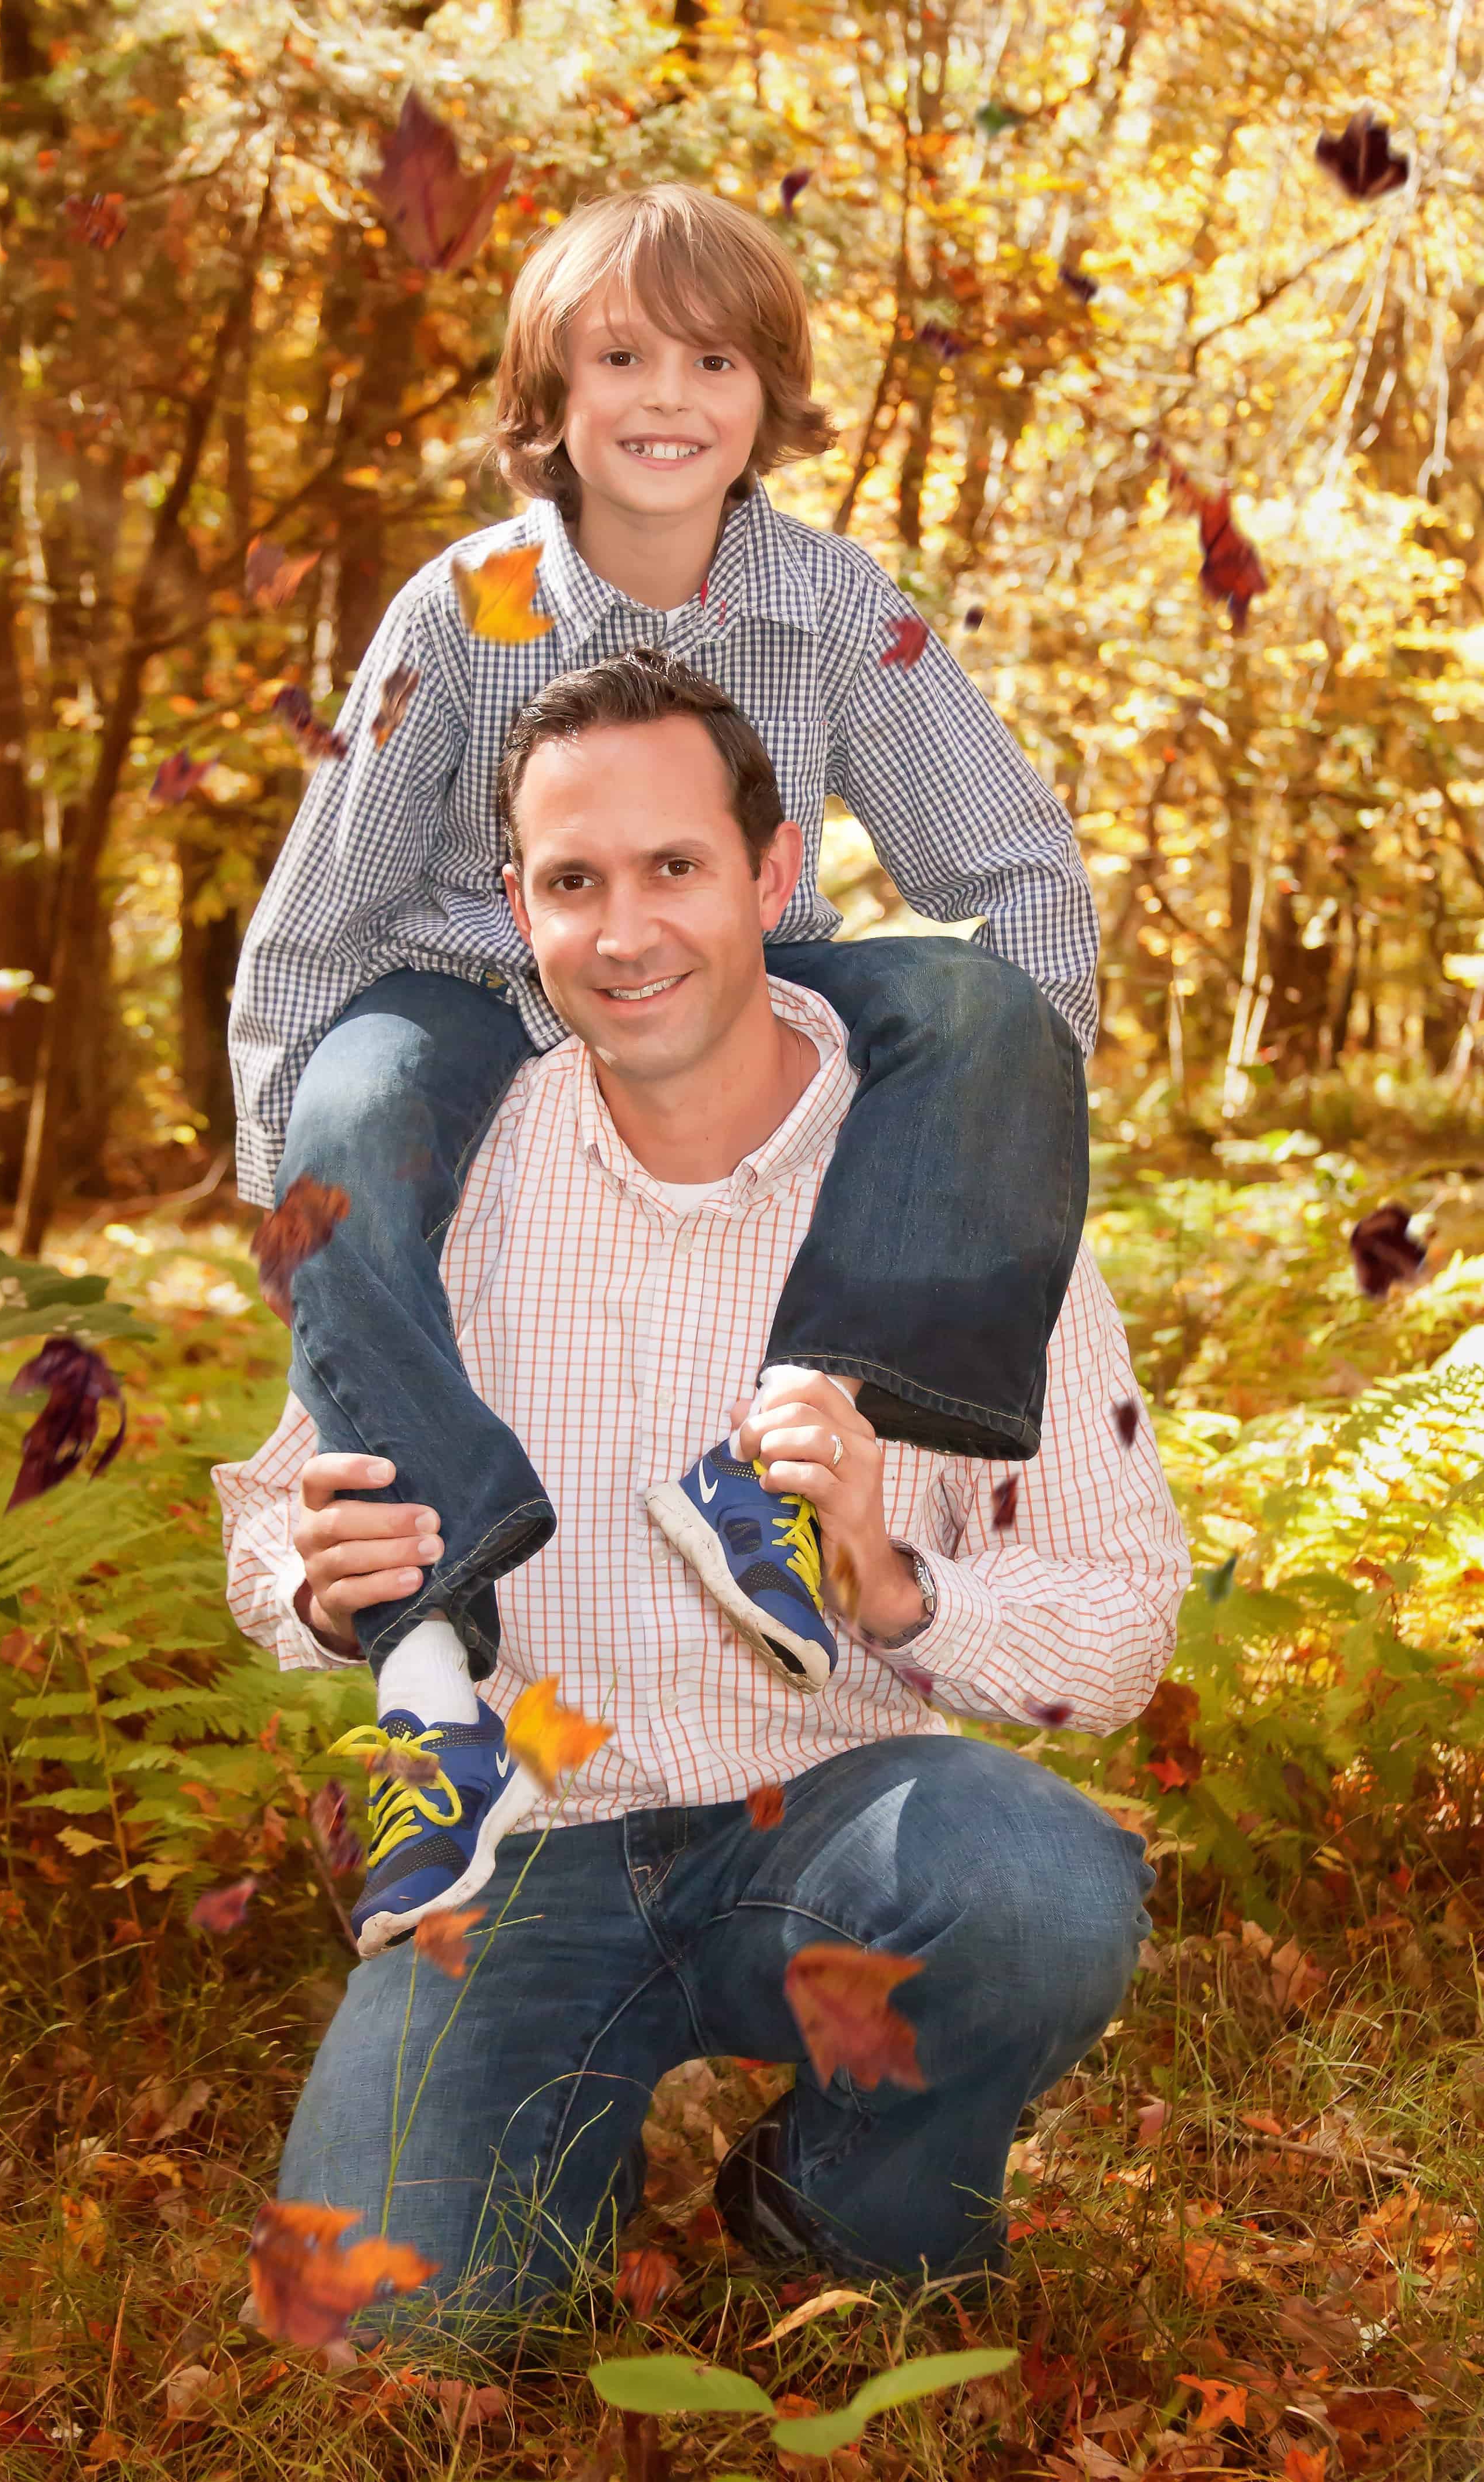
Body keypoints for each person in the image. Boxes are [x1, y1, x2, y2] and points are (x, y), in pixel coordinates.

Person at [214, 652, 1191, 2319]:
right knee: (385, 2322)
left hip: (840, 1831)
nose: (627, 929)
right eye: (575, 883)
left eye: (677, 867)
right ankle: (532, 2149)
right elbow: (268, 1530)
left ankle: (843, 2198)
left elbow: (1120, 1618)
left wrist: (902, 1588)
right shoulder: (442, 1168)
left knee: (1035, 1887)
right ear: (517, 910)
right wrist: (312, 1584)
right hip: (521, 1844)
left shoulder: (959, 1194)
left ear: (777, 875)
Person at [225, 185, 1099, 1900]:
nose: (667, 396)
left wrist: (999, 1124)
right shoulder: (455, 609)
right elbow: (314, 922)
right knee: (353, 1090)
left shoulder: (840, 606)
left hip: (755, 970)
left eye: (713, 358)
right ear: (547, 399)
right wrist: (300, 1205)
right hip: (473, 985)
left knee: (990, 1003)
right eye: (619, 355)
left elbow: (1017, 868)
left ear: (769, 396)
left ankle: (773, 1456)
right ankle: (428, 1684)